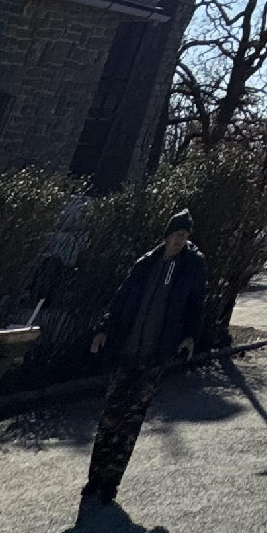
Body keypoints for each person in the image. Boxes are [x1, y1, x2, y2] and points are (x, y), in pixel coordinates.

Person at [79, 211, 208, 513]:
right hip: (126, 352)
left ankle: (111, 482)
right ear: (166, 235)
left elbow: (196, 304)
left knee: (131, 421)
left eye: (185, 236)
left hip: (153, 356)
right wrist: (103, 329)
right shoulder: (145, 265)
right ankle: (94, 478)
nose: (179, 240)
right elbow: (119, 300)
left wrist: (190, 335)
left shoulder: (191, 268)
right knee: (110, 417)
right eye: (176, 234)